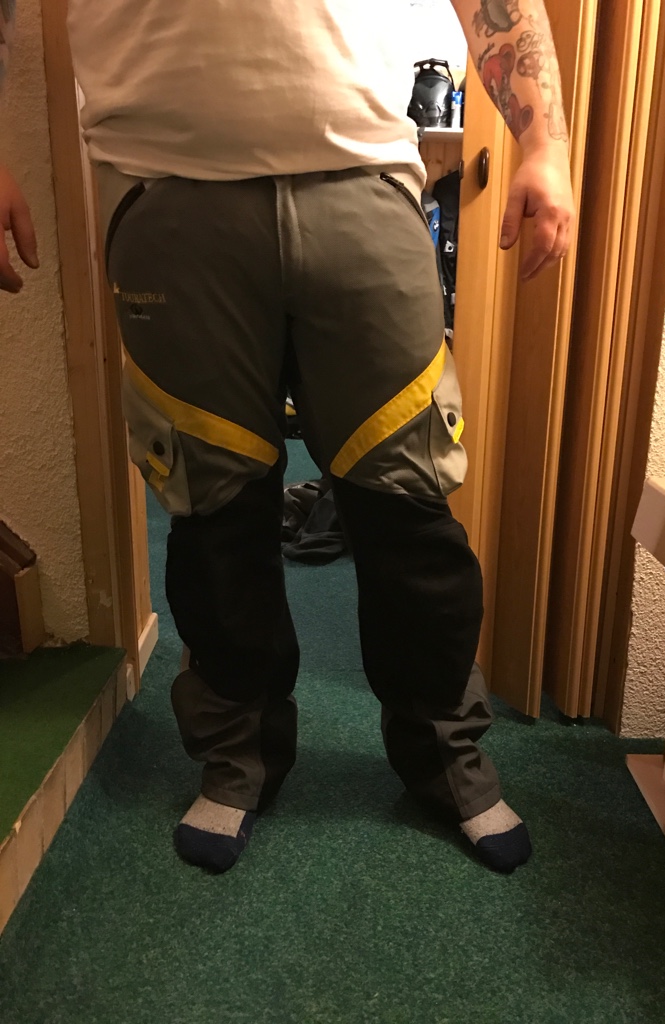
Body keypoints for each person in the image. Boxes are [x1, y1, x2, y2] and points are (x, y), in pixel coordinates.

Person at [0, 0, 574, 873]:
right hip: (165, 191)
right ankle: (239, 759)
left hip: (364, 180)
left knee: (409, 505)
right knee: (215, 512)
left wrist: (544, 143)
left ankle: (446, 756)